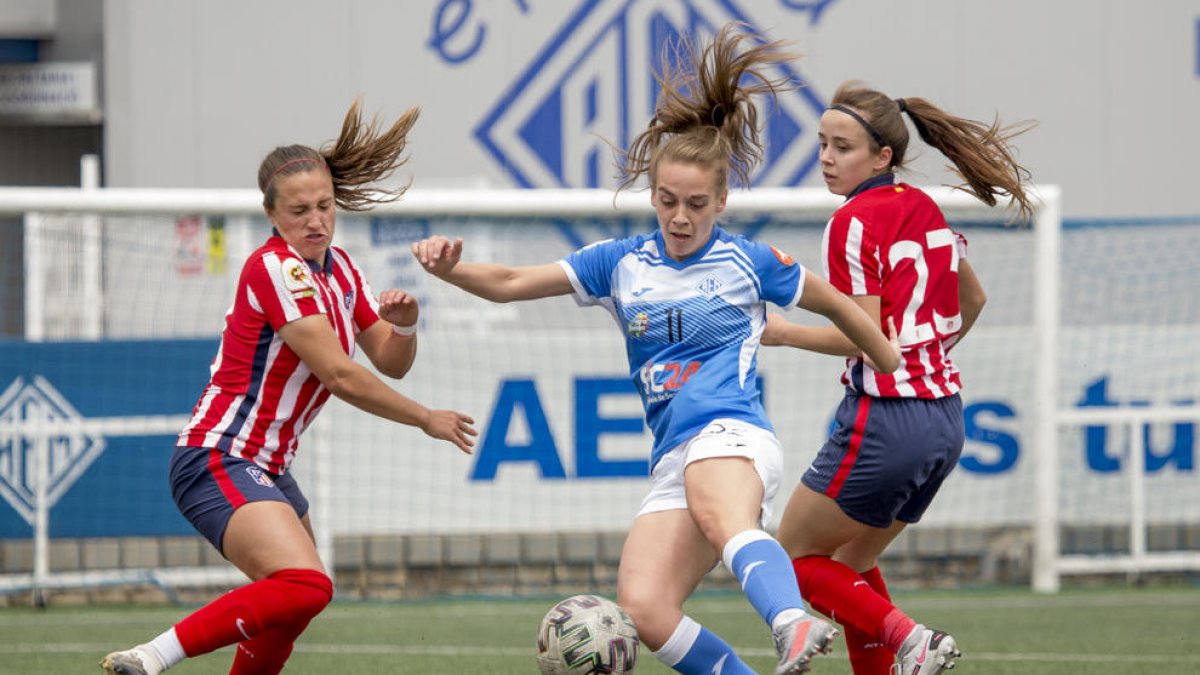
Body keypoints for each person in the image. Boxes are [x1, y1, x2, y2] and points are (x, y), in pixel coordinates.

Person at [411, 25, 901, 675]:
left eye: (696, 204)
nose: (679, 216)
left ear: (721, 201)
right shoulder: (620, 263)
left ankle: (790, 619)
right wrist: (450, 270)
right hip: (675, 451)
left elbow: (836, 302)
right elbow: (508, 283)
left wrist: (885, 355)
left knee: (721, 510)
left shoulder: (749, 261)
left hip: (731, 432)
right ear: (653, 196)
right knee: (644, 605)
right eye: (667, 200)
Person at [100, 99, 478, 675]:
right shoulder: (277, 268)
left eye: (325, 206)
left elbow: (389, 360)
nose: (316, 221)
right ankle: (152, 656)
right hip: (218, 455)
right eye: (300, 210)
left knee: (297, 603)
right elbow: (339, 373)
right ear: (272, 215)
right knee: (305, 585)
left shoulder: (342, 269)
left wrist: (404, 325)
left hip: (266, 463)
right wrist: (425, 417)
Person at [764, 81, 1035, 675]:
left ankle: (911, 637)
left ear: (882, 156)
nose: (828, 159)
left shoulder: (851, 222)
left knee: (788, 559)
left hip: (887, 420)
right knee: (853, 565)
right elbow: (976, 297)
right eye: (823, 145)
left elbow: (862, 335)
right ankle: (898, 654)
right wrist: (927, 356)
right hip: (944, 420)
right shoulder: (924, 206)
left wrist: (783, 333)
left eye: (843, 147)